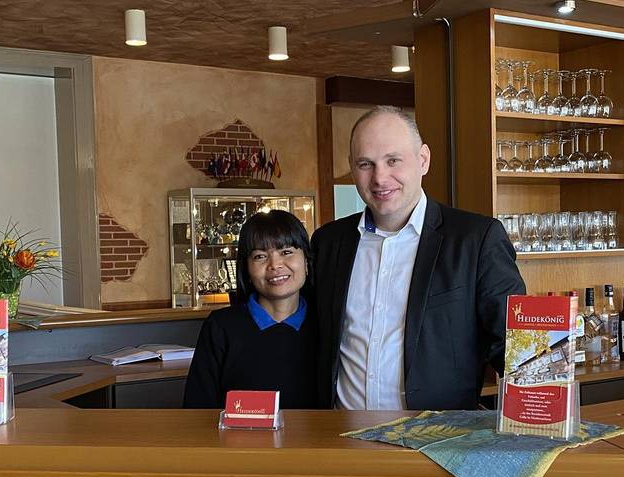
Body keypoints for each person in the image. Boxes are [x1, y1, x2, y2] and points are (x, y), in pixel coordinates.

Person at [312, 105, 525, 410]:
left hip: (439, 435)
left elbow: (515, 346)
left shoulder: (477, 240)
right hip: (341, 434)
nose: (379, 178)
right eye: (365, 164)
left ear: (423, 160)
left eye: (393, 160)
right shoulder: (327, 243)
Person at [183, 209, 318, 409]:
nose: (275, 265)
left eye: (286, 252)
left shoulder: (325, 323)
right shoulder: (221, 327)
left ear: (306, 261)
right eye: (260, 256)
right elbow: (197, 410)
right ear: (246, 268)